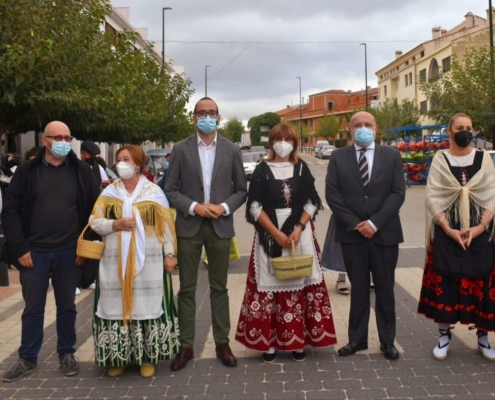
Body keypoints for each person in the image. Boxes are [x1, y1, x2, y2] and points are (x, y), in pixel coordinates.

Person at [1, 121, 100, 382]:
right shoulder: (26, 171)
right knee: (33, 308)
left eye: (68, 137)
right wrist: (19, 248)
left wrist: (85, 246)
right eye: (58, 137)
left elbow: (95, 210)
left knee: (67, 306)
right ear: (45, 140)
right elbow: (10, 210)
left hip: (70, 252)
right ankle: (27, 359)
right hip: (34, 253)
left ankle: (66, 353)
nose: (63, 142)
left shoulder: (81, 170)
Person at [235, 123, 337, 363]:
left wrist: (299, 228)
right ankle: (267, 343)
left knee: (299, 282)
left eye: (288, 139)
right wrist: (274, 233)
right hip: (268, 233)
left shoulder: (301, 168)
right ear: (271, 142)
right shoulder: (261, 169)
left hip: (299, 233)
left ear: (294, 142)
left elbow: (312, 201)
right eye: (278, 139)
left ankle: (297, 341)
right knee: (268, 285)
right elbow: (254, 206)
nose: (283, 143)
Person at [165, 97, 247, 371]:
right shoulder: (180, 149)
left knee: (219, 288)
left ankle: (222, 343)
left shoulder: (232, 149)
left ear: (219, 117)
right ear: (194, 117)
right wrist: (194, 207)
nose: (207, 117)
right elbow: (170, 190)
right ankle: (185, 346)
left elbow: (241, 191)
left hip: (220, 227)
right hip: (189, 227)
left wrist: (223, 207)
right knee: (186, 289)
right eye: (202, 113)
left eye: (212, 113)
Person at [89, 145, 180, 377]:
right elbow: (93, 221)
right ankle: (117, 358)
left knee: (146, 305)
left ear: (138, 164)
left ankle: (147, 358)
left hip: (149, 262)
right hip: (114, 261)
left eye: (126, 159)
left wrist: (170, 254)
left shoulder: (154, 192)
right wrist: (114, 225)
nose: (121, 163)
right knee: (115, 306)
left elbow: (167, 226)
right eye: (119, 159)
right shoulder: (109, 193)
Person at [326, 111, 405, 360]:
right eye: (357, 125)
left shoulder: (391, 155)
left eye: (367, 125)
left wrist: (374, 223)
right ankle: (357, 340)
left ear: (376, 127)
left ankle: (387, 341)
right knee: (358, 288)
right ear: (350, 129)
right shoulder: (338, 157)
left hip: (385, 234)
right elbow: (333, 196)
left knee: (384, 288)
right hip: (353, 235)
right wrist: (357, 224)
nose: (363, 128)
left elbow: (397, 193)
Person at [417, 113, 495, 361]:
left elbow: (492, 194)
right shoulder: (440, 159)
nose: (465, 132)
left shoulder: (484, 159)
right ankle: (444, 336)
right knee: (445, 279)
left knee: (482, 281)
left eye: (469, 127)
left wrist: (481, 227)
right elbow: (433, 196)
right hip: (446, 228)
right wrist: (449, 229)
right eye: (460, 128)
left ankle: (483, 338)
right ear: (449, 131)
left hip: (480, 230)